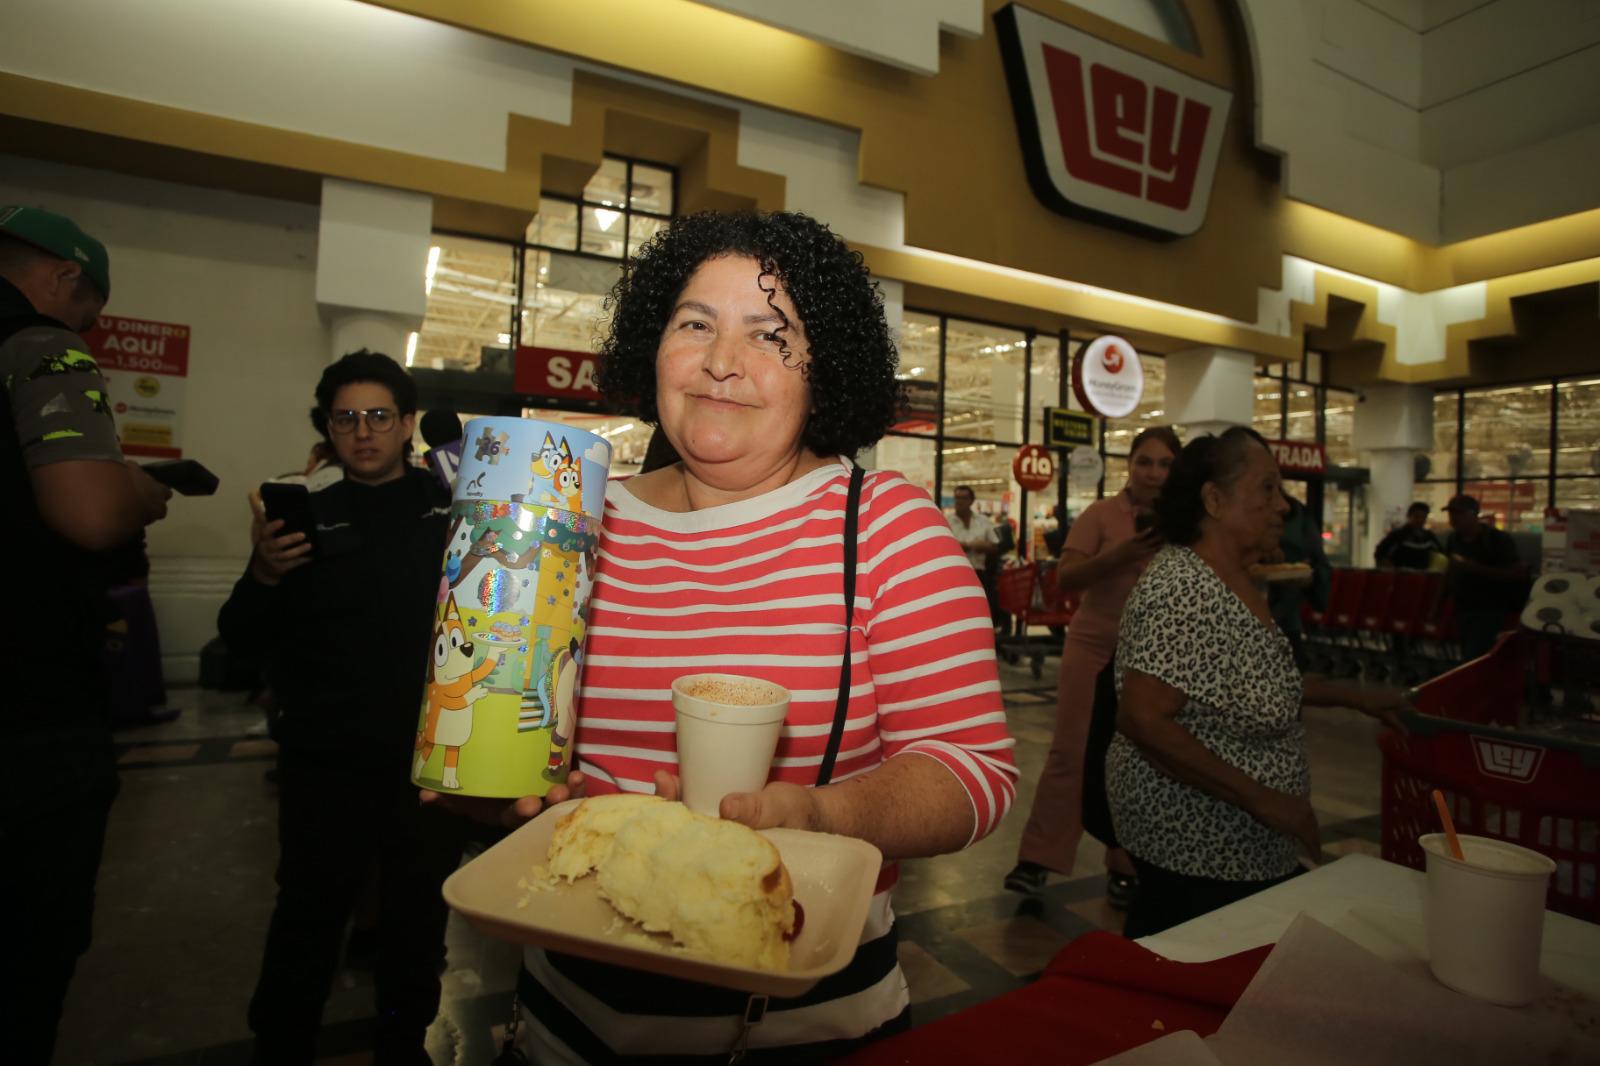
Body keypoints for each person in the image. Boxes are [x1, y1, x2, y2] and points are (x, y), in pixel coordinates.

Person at [431, 210, 1018, 1064]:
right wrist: (497, 787)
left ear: (826, 370)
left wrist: (822, 813)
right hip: (562, 1026)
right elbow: (517, 738)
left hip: (806, 1031)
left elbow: (972, 771)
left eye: (771, 336)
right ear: (653, 346)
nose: (720, 361)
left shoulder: (886, 528)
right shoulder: (574, 525)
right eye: (695, 324)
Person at [218, 350, 462, 1064]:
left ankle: (403, 1045)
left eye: (379, 416)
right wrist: (264, 572)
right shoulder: (304, 513)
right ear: (327, 427)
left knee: (415, 924)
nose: (363, 431)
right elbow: (239, 636)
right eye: (346, 418)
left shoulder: (451, 511)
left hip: (425, 765)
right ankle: (280, 1046)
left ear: (408, 423)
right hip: (325, 763)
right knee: (308, 915)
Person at [1107, 427, 1410, 939]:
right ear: (1214, 500)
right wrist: (1265, 800)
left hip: (1237, 844)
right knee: (1190, 959)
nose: (1283, 505)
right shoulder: (1184, 588)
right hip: (1197, 843)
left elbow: (1257, 683)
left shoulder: (1229, 579)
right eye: (1267, 488)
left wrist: (1358, 698)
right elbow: (1144, 718)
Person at [0, 205, 172, 1063]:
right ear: (64, 278)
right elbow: (90, 513)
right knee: (28, 953)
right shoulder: (42, 347)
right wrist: (140, 490)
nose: (88, 330)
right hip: (28, 711)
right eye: (90, 312)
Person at [1004, 427, 1179, 906]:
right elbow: (1066, 576)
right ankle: (1038, 858)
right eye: (1145, 462)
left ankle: (1126, 864)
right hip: (1095, 646)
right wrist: (1121, 554)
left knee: (1141, 759)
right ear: (1130, 465)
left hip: (1154, 656)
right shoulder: (1101, 515)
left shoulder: (1185, 524)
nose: (1153, 473)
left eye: (1165, 464)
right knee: (1072, 751)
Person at [1441, 494, 1526, 661]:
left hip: (1490, 608)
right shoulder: (1453, 539)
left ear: (1474, 514)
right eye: (1451, 513)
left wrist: (1474, 568)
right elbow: (1450, 571)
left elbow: (1517, 575)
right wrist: (1438, 604)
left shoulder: (1497, 540)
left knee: (1477, 654)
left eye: (1459, 513)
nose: (1453, 518)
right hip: (1463, 606)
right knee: (1468, 652)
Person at [1266, 491, 1330, 670]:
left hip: (1285, 621)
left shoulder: (1298, 513)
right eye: (1267, 487)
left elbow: (1318, 564)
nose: (1283, 507)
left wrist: (1310, 577)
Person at [949, 483, 1003, 628]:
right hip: (955, 576)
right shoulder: (947, 522)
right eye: (956, 498)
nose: (959, 502)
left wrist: (977, 546)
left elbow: (995, 546)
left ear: (971, 501)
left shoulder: (983, 521)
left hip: (979, 574)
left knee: (979, 613)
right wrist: (971, 545)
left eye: (963, 498)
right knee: (957, 615)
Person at [1374, 502, 1444, 569]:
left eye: (1423, 517)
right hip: (1401, 575)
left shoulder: (1429, 536)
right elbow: (1379, 553)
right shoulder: (1398, 534)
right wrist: (1390, 568)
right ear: (1408, 516)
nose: (1420, 520)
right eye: (1416, 516)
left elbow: (1441, 553)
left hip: (1422, 575)